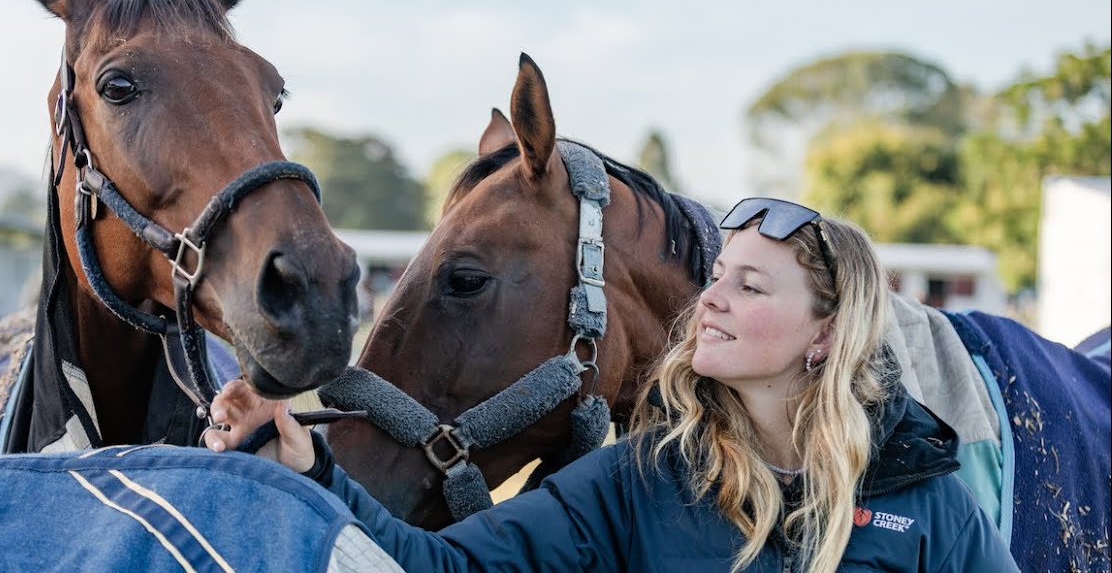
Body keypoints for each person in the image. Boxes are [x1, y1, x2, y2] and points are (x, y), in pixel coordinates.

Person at [205, 198, 1017, 572]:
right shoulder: (640, 481)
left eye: (752, 287)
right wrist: (314, 470)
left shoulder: (924, 497)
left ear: (826, 336)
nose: (713, 300)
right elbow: (433, 569)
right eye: (719, 276)